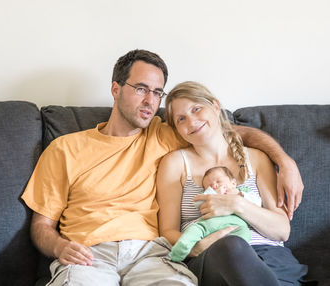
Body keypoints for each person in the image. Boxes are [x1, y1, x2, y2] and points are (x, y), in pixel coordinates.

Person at [21, 50, 303, 285]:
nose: (150, 101)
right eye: (141, 89)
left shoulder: (165, 133)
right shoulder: (64, 148)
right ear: (115, 89)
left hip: (151, 255)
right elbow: (42, 225)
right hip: (90, 255)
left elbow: (230, 132)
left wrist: (284, 160)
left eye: (157, 93)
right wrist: (59, 247)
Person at [157, 81, 309, 285]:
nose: (191, 122)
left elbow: (282, 230)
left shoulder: (256, 159)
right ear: (176, 129)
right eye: (181, 119)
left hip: (269, 257)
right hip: (212, 257)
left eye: (196, 109)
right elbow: (167, 231)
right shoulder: (175, 163)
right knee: (232, 246)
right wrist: (195, 247)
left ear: (215, 106)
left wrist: (236, 204)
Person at [169, 166, 260, 262]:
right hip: (208, 225)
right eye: (209, 186)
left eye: (218, 181)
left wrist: (239, 195)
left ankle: (240, 255)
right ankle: (182, 247)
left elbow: (256, 204)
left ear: (233, 183)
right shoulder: (208, 194)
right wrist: (212, 193)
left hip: (235, 226)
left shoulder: (243, 191)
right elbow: (198, 203)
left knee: (244, 234)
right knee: (195, 229)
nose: (214, 185)